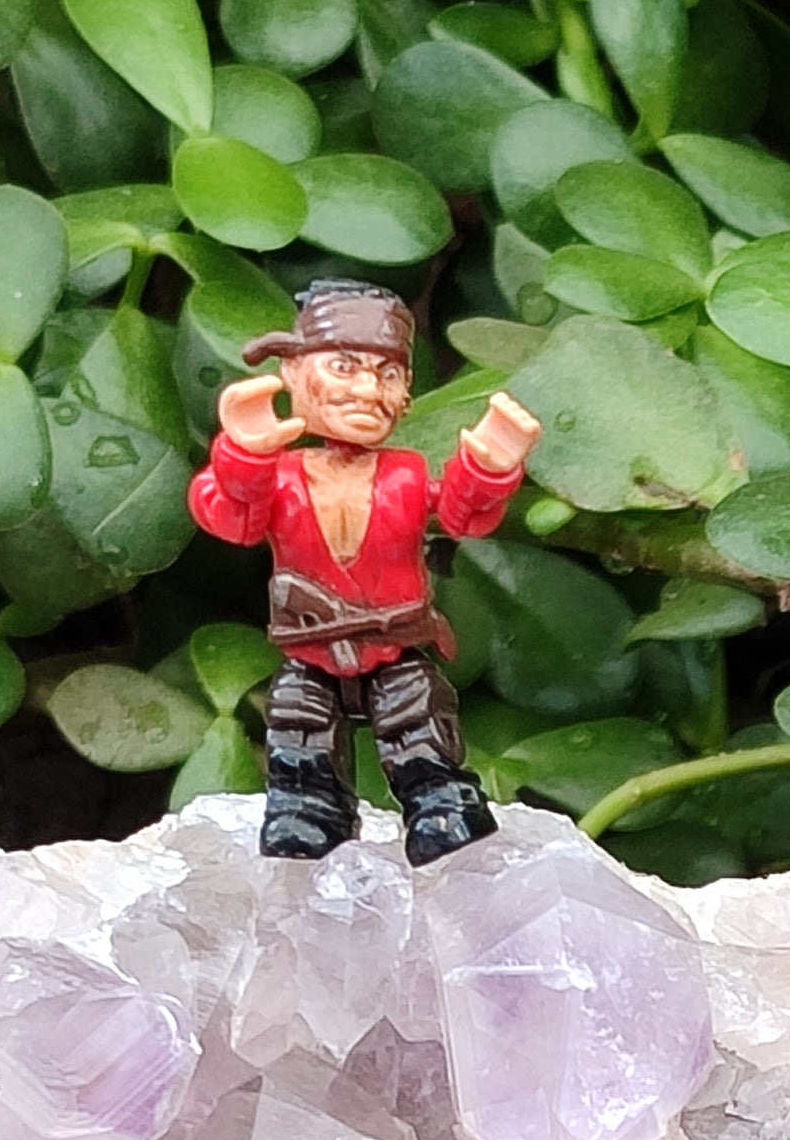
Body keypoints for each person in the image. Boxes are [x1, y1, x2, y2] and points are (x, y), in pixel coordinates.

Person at [187, 281, 543, 865]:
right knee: (302, 751)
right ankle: (308, 817)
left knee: (422, 740)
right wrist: (246, 456)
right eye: (344, 367)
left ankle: (441, 811)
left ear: (407, 394)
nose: (368, 391)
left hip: (395, 649)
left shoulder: (406, 474)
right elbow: (231, 519)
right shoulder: (280, 476)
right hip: (310, 653)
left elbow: (461, 514)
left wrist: (489, 465)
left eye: (389, 374)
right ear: (293, 373)